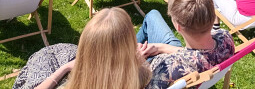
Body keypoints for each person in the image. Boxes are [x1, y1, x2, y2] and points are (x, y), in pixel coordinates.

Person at [13, 8, 152, 89]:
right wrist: (136, 62)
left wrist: (65, 68)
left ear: (86, 46)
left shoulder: (78, 81)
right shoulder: (142, 77)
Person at [136, 0, 235, 88]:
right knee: (153, 15)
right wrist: (161, 47)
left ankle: (124, 53)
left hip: (144, 73)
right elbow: (195, 55)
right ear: (213, 16)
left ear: (178, 26)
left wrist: (137, 62)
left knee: (152, 16)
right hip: (190, 69)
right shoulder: (225, 38)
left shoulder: (167, 66)